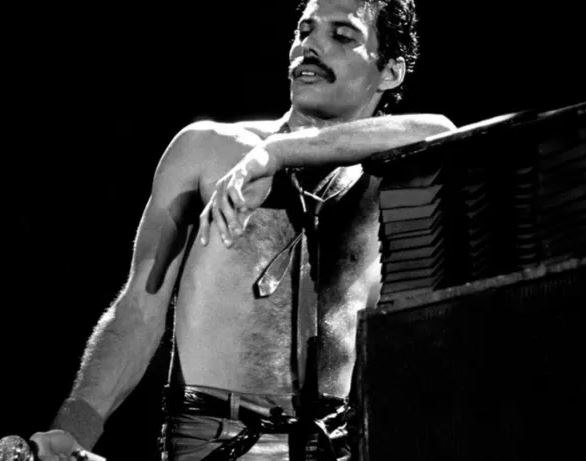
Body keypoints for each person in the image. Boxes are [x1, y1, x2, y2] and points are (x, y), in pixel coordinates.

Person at [31, 0, 454, 459]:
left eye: (342, 35)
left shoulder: (394, 171)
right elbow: (139, 311)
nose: (310, 46)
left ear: (390, 71)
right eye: (305, 30)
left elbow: (440, 128)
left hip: (334, 443)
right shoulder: (207, 149)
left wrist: (279, 154)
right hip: (213, 439)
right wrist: (72, 431)